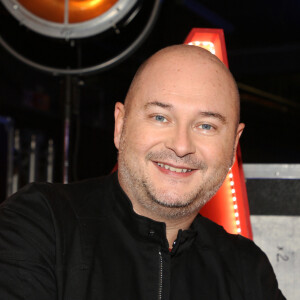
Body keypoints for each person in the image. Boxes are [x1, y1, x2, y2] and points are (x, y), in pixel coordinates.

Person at [0, 45, 285, 299]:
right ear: (120, 126)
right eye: (160, 117)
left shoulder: (247, 269)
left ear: (234, 144)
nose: (181, 145)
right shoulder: (40, 223)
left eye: (206, 126)